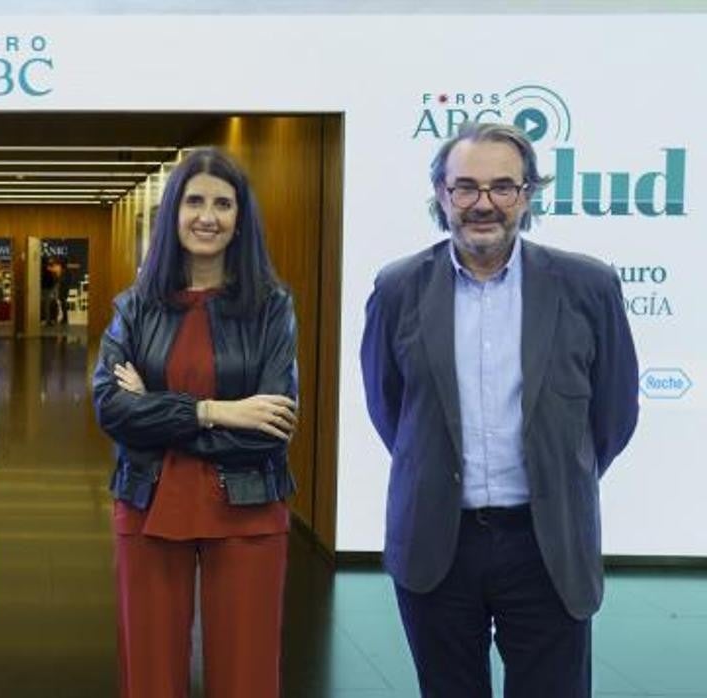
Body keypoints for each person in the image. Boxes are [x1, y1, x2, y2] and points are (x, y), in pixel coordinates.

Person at [360, 121, 639, 697]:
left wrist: (559, 476)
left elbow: (613, 415)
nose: (483, 204)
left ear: (528, 194)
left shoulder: (587, 286)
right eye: (465, 187)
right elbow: (391, 410)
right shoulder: (397, 289)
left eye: (502, 187)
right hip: (438, 540)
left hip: (547, 544)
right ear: (441, 194)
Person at [92, 147, 299, 698]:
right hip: (148, 497)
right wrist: (216, 410)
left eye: (223, 204)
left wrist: (154, 408)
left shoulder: (272, 308)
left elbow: (270, 422)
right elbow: (110, 408)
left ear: (240, 219)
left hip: (249, 503)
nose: (208, 216)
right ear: (173, 213)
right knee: (150, 673)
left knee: (247, 675)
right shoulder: (134, 306)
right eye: (195, 201)